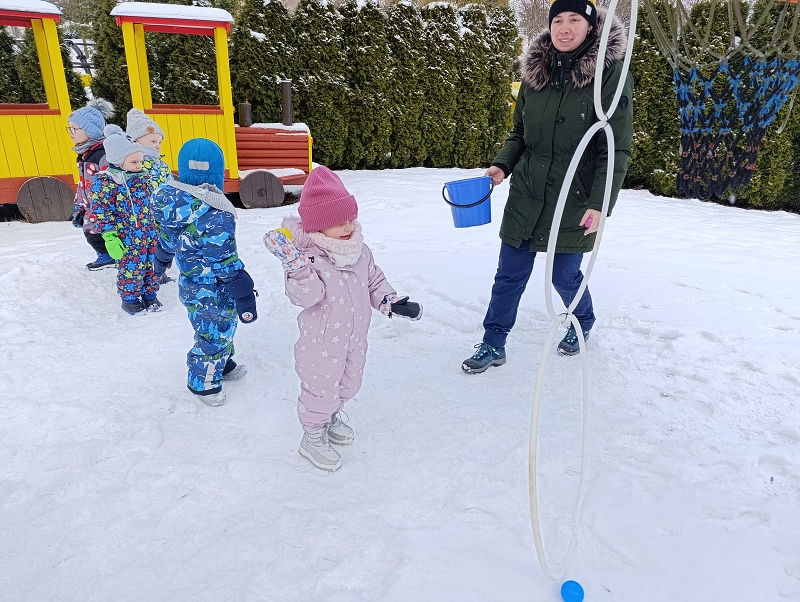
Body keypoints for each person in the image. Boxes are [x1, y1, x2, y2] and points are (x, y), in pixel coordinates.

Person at [462, 0, 633, 373]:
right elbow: (520, 133)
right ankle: (493, 342)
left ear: (591, 26)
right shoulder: (535, 74)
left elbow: (615, 148)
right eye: (558, 19)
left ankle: (581, 321)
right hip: (528, 193)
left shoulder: (610, 75)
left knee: (564, 275)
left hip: (575, 197)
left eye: (575, 19)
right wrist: (502, 165)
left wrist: (599, 202)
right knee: (509, 273)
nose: (565, 27)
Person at [263, 166, 422, 472]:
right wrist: (295, 267)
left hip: (354, 339)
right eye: (338, 222)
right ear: (318, 225)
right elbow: (305, 297)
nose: (348, 226)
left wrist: (391, 301)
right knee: (320, 392)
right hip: (320, 344)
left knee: (349, 386)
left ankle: (330, 418)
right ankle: (312, 436)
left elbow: (374, 281)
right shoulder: (306, 257)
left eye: (350, 217)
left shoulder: (359, 251)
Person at [152, 139, 258, 407]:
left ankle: (221, 363)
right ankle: (203, 383)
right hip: (213, 287)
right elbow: (224, 260)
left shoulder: (173, 208)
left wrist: (161, 260)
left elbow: (166, 240)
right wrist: (244, 290)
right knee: (213, 333)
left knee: (217, 328)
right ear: (217, 176)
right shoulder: (216, 214)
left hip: (192, 286)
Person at [89, 125, 161, 315]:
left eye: (140, 161)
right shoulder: (107, 182)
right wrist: (110, 236)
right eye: (134, 161)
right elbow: (102, 210)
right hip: (126, 236)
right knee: (131, 267)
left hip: (148, 232)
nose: (139, 165)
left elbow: (152, 204)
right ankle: (129, 299)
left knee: (149, 264)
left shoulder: (142, 178)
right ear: (118, 161)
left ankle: (149, 295)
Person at [125, 108, 176, 285]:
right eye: (153, 140)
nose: (157, 145)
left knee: (163, 245)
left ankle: (159, 273)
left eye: (159, 141)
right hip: (144, 216)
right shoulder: (135, 166)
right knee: (148, 246)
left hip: (163, 214)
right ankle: (146, 276)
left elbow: (171, 184)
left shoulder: (161, 164)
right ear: (136, 140)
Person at [67, 98, 115, 270]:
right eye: (69, 128)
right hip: (90, 205)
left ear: (91, 130)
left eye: (75, 128)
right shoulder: (84, 154)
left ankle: (110, 256)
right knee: (90, 231)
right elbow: (83, 183)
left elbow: (111, 182)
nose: (71, 132)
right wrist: (79, 204)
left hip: (103, 206)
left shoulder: (102, 154)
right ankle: (106, 255)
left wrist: (105, 205)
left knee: (98, 233)